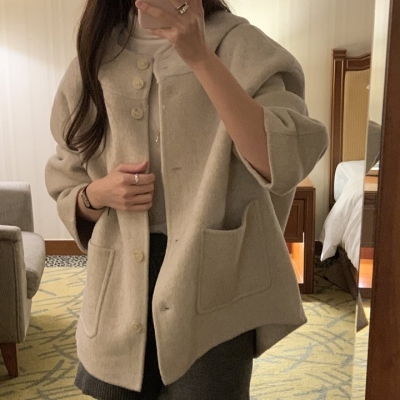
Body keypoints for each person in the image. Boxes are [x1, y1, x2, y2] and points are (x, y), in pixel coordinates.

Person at [45, 0, 328, 398]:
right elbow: (66, 173)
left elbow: (282, 160)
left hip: (212, 283)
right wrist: (98, 194)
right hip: (118, 281)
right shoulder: (95, 54)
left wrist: (200, 58)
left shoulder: (240, 45)